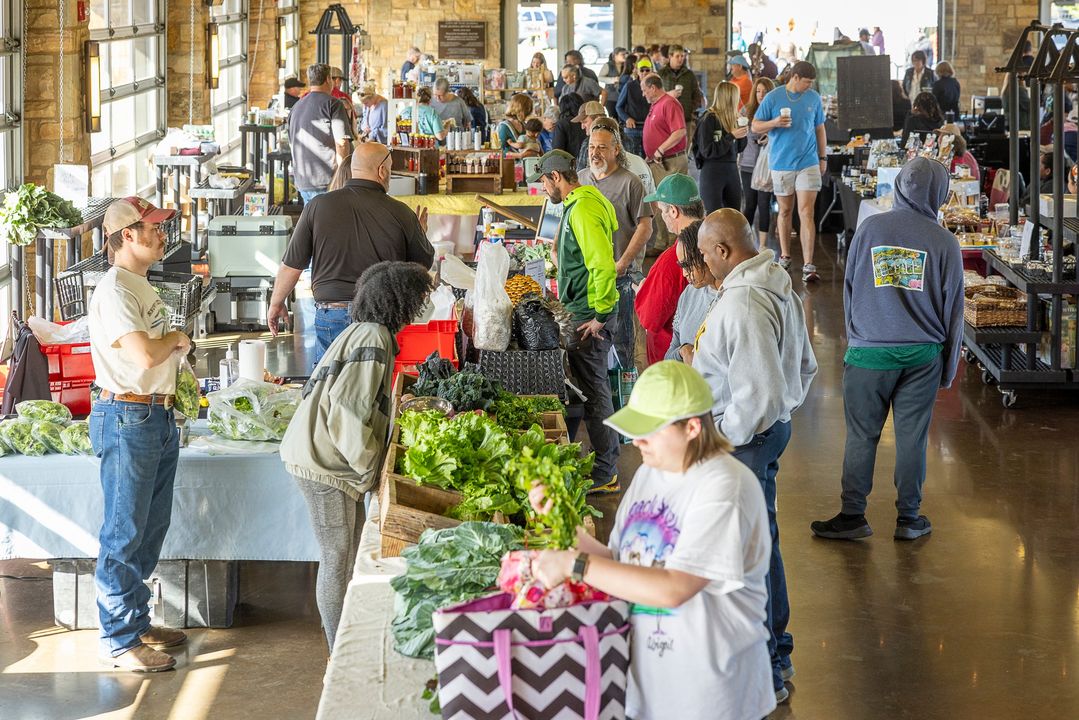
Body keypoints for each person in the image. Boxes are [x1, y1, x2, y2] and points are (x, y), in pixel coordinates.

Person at [529, 360, 777, 720]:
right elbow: (623, 563)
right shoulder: (650, 473)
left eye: (650, 430)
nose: (637, 440)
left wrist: (576, 565)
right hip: (650, 692)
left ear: (693, 427)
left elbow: (674, 588)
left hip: (711, 700)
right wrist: (565, 523)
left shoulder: (724, 487)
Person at [692, 208, 817, 705]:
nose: (702, 262)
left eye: (704, 253)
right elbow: (804, 366)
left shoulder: (744, 305)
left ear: (724, 251)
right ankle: (771, 655)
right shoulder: (775, 283)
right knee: (759, 544)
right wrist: (782, 412)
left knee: (750, 556)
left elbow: (759, 393)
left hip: (745, 442)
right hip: (765, 434)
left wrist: (722, 434)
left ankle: (766, 668)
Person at [282, 262, 433, 652]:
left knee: (348, 555)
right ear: (400, 301)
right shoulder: (374, 339)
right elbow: (347, 412)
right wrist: (372, 471)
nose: (423, 305)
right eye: (420, 298)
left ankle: (349, 637)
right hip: (322, 463)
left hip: (326, 456)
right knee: (337, 556)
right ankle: (339, 652)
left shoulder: (367, 332)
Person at [810, 158, 962, 543]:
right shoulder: (945, 242)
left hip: (868, 353)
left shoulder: (870, 228)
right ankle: (909, 518)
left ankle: (852, 515)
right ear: (938, 193)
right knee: (912, 438)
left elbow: (848, 287)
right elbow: (954, 312)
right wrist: (948, 368)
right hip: (922, 355)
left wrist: (854, 337)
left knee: (862, 435)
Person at [89, 197, 191, 672]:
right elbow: (145, 355)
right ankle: (120, 639)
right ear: (127, 236)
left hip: (156, 416)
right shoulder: (114, 291)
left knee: (150, 530)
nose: (161, 235)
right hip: (128, 418)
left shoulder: (139, 286)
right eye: (152, 228)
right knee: (124, 533)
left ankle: (137, 620)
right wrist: (175, 340)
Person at [267, 143, 435, 364]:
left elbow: (292, 264)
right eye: (391, 170)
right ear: (382, 171)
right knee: (371, 387)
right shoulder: (402, 213)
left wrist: (276, 303)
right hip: (379, 317)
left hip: (331, 314)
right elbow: (421, 266)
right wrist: (420, 234)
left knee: (328, 386)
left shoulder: (317, 206)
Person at [527, 150, 621, 493]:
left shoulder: (581, 209)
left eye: (544, 182)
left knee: (595, 393)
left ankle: (606, 471)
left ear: (557, 177)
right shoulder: (582, 203)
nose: (543, 190)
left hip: (587, 315)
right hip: (581, 308)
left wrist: (599, 315)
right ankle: (601, 463)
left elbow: (602, 265)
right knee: (589, 390)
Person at [580, 120, 655, 369]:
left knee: (621, 340)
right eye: (592, 147)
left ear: (615, 150)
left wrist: (623, 263)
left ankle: (625, 392)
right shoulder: (581, 179)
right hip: (586, 275)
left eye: (601, 147)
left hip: (619, 275)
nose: (595, 153)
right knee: (587, 337)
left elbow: (646, 227)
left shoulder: (631, 182)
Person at [751, 61, 826, 282]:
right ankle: (785, 255)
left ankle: (809, 264)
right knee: (785, 211)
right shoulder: (773, 97)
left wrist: (823, 157)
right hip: (781, 162)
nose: (809, 86)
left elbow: (819, 128)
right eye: (806, 82)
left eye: (811, 83)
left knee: (806, 212)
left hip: (808, 161)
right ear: (794, 77)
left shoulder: (813, 98)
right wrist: (774, 122)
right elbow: (755, 126)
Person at [635, 174, 702, 364]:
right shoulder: (713, 241)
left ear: (673, 211)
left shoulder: (672, 259)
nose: (661, 217)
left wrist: (643, 292)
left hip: (673, 360)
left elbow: (650, 318)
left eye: (662, 211)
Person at [288, 64, 352, 204]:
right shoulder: (333, 104)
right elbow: (341, 144)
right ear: (328, 79)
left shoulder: (296, 107)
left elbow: (291, 143)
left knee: (312, 223)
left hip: (303, 179)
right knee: (331, 223)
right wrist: (343, 176)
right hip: (327, 180)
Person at [643, 74, 689, 252]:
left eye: (644, 90)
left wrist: (660, 149)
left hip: (671, 161)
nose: (643, 94)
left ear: (653, 88)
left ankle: (673, 247)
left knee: (672, 204)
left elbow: (680, 131)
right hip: (658, 162)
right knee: (661, 204)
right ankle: (662, 243)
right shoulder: (656, 105)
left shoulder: (669, 103)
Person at [694, 82, 748, 214]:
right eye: (737, 97)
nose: (739, 101)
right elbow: (707, 150)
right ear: (729, 98)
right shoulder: (708, 119)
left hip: (731, 169)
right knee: (713, 216)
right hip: (712, 171)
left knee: (734, 215)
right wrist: (730, 136)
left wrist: (742, 133)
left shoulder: (733, 119)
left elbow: (739, 148)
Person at [668, 221, 717, 363]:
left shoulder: (734, 299)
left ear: (705, 255)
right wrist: (683, 352)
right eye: (681, 266)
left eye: (688, 264)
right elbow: (669, 355)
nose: (684, 273)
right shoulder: (688, 294)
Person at [740, 77, 776, 251]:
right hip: (748, 163)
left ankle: (762, 245)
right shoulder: (746, 111)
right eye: (758, 91)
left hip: (767, 166)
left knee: (764, 203)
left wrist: (770, 136)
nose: (761, 95)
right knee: (750, 203)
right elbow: (741, 133)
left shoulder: (774, 112)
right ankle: (744, 241)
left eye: (765, 91)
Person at [658, 44, 702, 138]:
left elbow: (697, 96)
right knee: (668, 148)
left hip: (685, 120)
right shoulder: (661, 74)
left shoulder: (690, 75)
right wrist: (668, 95)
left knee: (684, 150)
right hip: (666, 119)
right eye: (677, 56)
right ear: (670, 56)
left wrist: (690, 110)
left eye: (682, 56)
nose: (680, 59)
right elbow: (655, 96)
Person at [617, 57, 654, 158]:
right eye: (642, 70)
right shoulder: (629, 86)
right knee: (632, 159)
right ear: (637, 71)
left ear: (651, 71)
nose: (644, 72)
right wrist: (627, 118)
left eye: (647, 70)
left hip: (650, 128)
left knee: (649, 159)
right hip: (632, 129)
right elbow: (619, 106)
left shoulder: (655, 87)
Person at [495, 93, 535, 158]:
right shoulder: (504, 127)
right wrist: (519, 155)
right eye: (527, 109)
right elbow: (500, 151)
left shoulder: (523, 124)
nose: (529, 112)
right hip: (511, 164)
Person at [572, 100, 608, 170]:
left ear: (598, 119)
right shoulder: (624, 138)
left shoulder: (588, 143)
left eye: (585, 122)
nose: (582, 127)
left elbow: (580, 172)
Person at [552, 93, 587, 161]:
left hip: (569, 166)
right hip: (587, 164)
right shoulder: (586, 122)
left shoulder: (561, 124)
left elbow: (557, 151)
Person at [600, 47, 628, 119]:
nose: (625, 56)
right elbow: (600, 78)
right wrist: (612, 80)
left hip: (623, 96)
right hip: (611, 97)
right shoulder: (608, 65)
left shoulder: (626, 65)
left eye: (625, 54)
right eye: (622, 54)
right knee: (613, 117)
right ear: (615, 55)